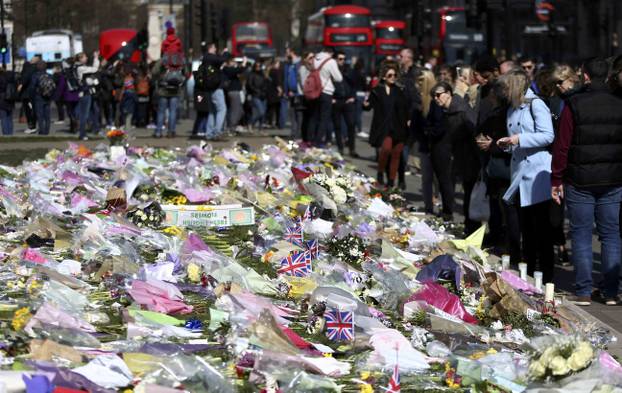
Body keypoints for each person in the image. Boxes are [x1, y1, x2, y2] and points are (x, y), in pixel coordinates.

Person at [551, 57, 622, 306]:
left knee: (581, 234)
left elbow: (562, 145)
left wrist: (556, 177)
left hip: (580, 180)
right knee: (611, 234)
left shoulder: (574, 104)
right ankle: (611, 291)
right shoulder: (618, 103)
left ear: (586, 76)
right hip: (613, 179)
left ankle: (583, 290)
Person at [497, 69, 555, 283]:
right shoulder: (512, 108)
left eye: (506, 87)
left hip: (537, 172)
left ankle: (547, 277)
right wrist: (507, 144)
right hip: (520, 172)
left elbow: (548, 135)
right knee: (526, 229)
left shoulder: (535, 104)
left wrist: (519, 139)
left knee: (541, 228)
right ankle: (529, 274)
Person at [431, 81, 477, 224]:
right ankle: (459, 220)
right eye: (434, 96)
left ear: (449, 93)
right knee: (453, 186)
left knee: (468, 191)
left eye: (438, 95)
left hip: (467, 156)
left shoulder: (460, 109)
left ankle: (471, 225)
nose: (436, 98)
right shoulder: (447, 109)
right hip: (455, 154)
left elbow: (473, 129)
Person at [364, 61, 410, 188]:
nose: (393, 78)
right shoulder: (377, 91)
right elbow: (368, 106)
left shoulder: (399, 91)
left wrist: (409, 120)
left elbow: (406, 108)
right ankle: (380, 172)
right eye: (390, 75)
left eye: (395, 75)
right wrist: (365, 104)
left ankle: (391, 182)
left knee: (396, 155)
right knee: (386, 150)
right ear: (384, 77)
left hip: (400, 127)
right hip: (385, 127)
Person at [413, 69, 448, 216]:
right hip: (425, 145)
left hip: (438, 145)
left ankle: (443, 207)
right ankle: (429, 207)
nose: (418, 83)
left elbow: (441, 124)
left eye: (421, 80)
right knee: (426, 178)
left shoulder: (436, 100)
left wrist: (428, 132)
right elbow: (415, 124)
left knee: (439, 179)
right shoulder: (419, 100)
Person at [308, 47, 342, 147]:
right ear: (330, 53)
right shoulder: (330, 61)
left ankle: (310, 139)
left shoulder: (314, 58)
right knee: (324, 118)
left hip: (314, 91)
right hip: (326, 91)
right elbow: (338, 78)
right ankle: (317, 142)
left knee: (314, 116)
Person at [332, 52, 357, 157]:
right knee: (337, 126)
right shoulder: (332, 70)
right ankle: (340, 148)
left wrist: (353, 97)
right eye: (340, 59)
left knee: (351, 124)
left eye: (343, 59)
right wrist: (331, 98)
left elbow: (355, 84)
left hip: (348, 100)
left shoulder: (349, 71)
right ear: (336, 60)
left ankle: (352, 149)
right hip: (336, 100)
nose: (342, 61)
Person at [201, 43, 228, 140]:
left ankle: (209, 133)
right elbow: (222, 60)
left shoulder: (205, 58)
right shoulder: (210, 57)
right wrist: (225, 53)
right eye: (215, 47)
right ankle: (217, 132)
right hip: (215, 87)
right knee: (222, 109)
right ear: (211, 48)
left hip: (208, 87)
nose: (216, 49)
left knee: (212, 111)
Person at [75, 51, 100, 140]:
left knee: (93, 112)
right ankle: (82, 134)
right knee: (84, 115)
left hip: (88, 92)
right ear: (80, 59)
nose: (86, 58)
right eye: (85, 57)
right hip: (85, 94)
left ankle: (95, 129)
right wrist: (96, 57)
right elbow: (94, 69)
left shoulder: (82, 67)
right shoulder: (80, 68)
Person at [222, 56, 247, 132]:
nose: (235, 63)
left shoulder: (229, 70)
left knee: (240, 111)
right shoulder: (227, 69)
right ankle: (231, 126)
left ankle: (234, 125)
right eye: (233, 62)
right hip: (233, 92)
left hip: (235, 91)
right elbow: (239, 70)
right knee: (235, 110)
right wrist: (244, 63)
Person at [29, 60, 54, 135]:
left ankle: (41, 131)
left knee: (40, 115)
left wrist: (31, 96)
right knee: (47, 115)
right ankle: (47, 130)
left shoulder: (35, 75)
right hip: (48, 97)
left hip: (38, 96)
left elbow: (32, 87)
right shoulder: (49, 75)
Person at [284, 48, 303, 139]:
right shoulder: (289, 64)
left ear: (292, 53)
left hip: (298, 94)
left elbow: (298, 79)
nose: (286, 54)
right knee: (292, 114)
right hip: (290, 94)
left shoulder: (298, 64)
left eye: (287, 52)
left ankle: (298, 134)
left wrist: (294, 90)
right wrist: (286, 91)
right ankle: (293, 133)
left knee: (298, 115)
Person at [246, 61, 268, 132]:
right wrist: (256, 91)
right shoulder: (251, 74)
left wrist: (264, 91)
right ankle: (250, 123)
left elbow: (265, 84)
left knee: (263, 112)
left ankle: (260, 128)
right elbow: (249, 85)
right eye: (256, 66)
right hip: (255, 95)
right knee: (261, 112)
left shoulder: (263, 74)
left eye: (259, 66)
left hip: (263, 95)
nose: (258, 68)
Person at [20, 55, 39, 133]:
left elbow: (25, 78)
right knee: (32, 109)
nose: (31, 59)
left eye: (32, 59)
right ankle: (32, 126)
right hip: (34, 92)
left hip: (28, 93)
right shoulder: (36, 68)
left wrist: (21, 84)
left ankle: (31, 126)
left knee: (29, 110)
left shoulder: (30, 67)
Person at [299, 51, 315, 143]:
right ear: (305, 59)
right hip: (306, 96)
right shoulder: (303, 68)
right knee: (307, 118)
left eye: (313, 57)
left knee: (311, 118)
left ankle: (310, 137)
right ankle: (306, 138)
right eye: (310, 58)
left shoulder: (313, 68)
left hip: (313, 95)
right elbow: (303, 83)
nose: (312, 59)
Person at [350, 57, 367, 138]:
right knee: (359, 114)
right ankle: (359, 130)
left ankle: (352, 129)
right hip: (360, 94)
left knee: (353, 113)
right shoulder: (361, 73)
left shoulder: (352, 72)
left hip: (353, 94)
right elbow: (365, 85)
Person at [266, 59, 283, 128]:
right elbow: (277, 82)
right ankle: (277, 123)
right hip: (275, 92)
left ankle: (270, 122)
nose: (279, 65)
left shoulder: (268, 71)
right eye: (278, 63)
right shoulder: (275, 71)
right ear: (275, 64)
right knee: (277, 109)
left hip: (270, 91)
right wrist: (280, 90)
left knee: (271, 109)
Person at [119, 65, 137, 131]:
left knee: (125, 114)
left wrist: (121, 96)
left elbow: (124, 88)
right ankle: (127, 128)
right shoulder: (131, 79)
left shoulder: (125, 79)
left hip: (126, 97)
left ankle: (125, 127)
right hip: (130, 98)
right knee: (129, 115)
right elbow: (130, 87)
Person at [0, 67, 16, 135]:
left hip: (2, 99)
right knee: (9, 118)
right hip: (11, 99)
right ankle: (10, 134)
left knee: (3, 118)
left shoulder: (1, 78)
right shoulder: (10, 77)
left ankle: (6, 134)